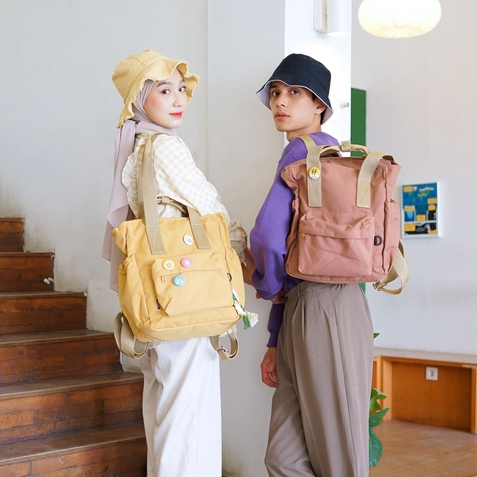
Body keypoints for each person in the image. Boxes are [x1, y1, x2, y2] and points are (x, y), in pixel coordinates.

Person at [102, 49, 248, 477]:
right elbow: (210, 208)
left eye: (181, 89)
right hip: (187, 297)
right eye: (164, 90)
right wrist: (243, 245)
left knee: (166, 410)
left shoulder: (137, 144)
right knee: (189, 416)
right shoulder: (164, 146)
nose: (179, 99)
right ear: (139, 98)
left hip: (158, 296)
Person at [247, 53, 374, 477]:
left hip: (323, 306)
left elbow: (267, 239)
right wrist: (275, 337)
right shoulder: (329, 155)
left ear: (320, 104)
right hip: (315, 308)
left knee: (339, 460)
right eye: (275, 92)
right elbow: (299, 250)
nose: (280, 101)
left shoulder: (303, 151)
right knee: (284, 458)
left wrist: (264, 285)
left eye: (295, 92)